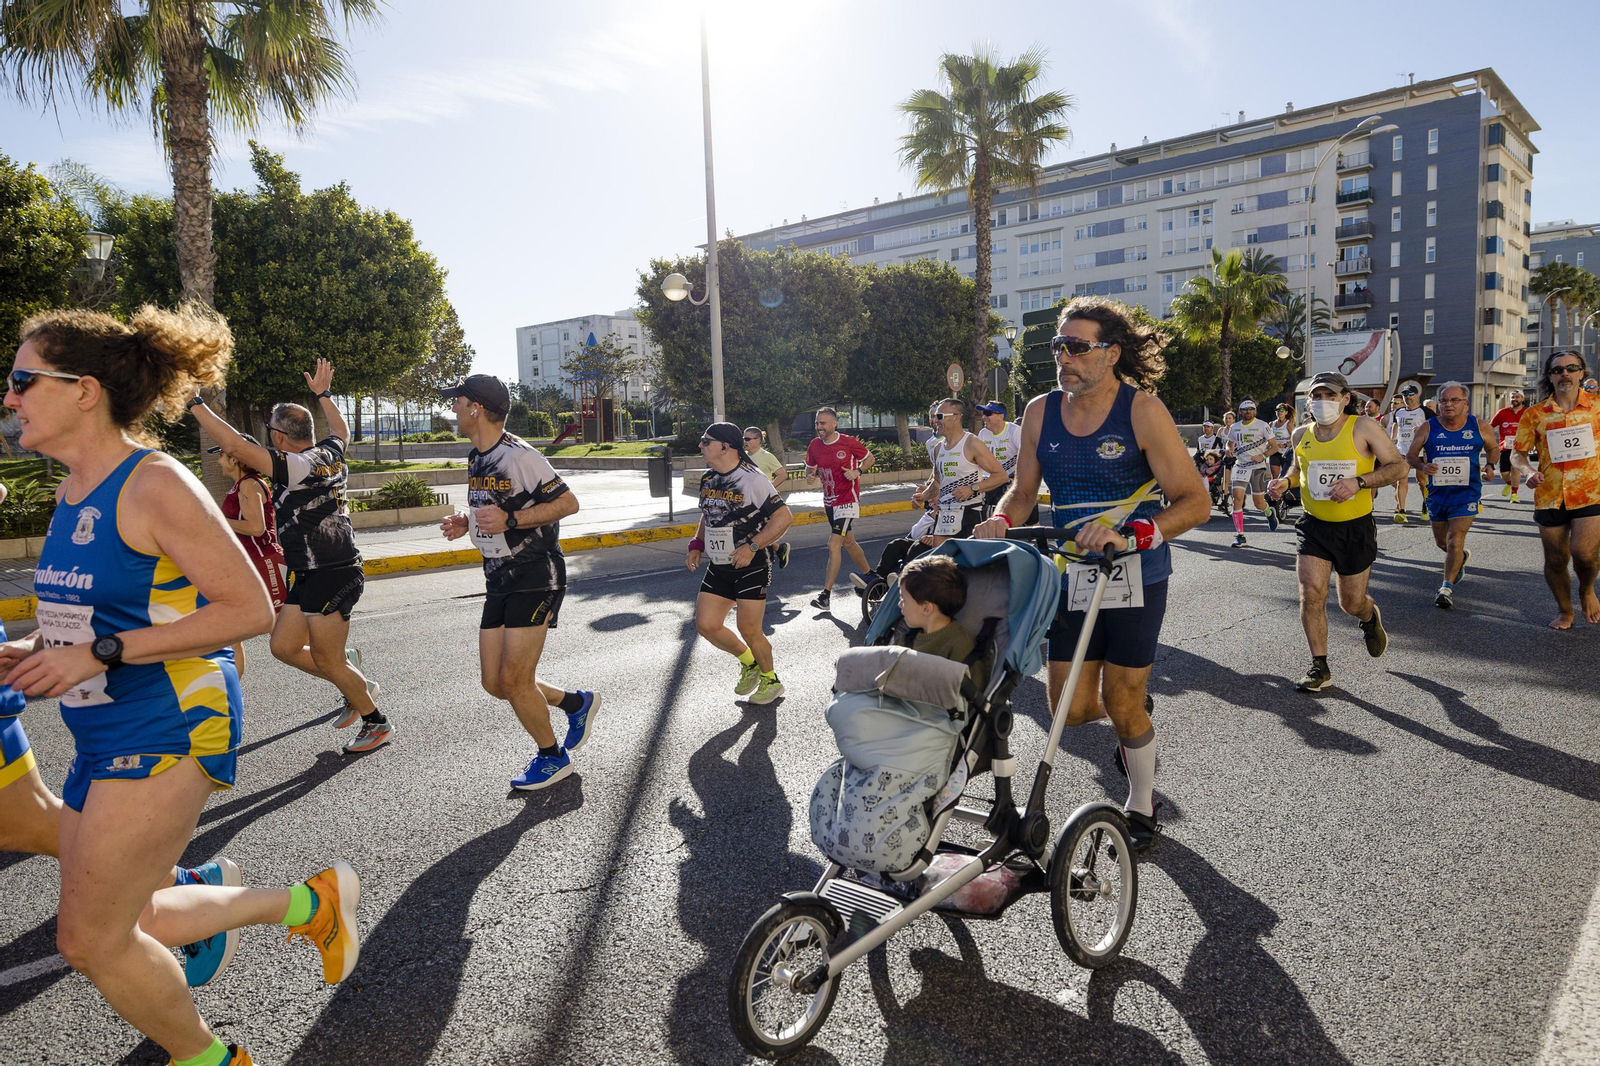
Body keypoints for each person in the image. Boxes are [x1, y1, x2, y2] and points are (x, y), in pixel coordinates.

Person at [3, 305, 360, 1066]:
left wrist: (99, 651)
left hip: (174, 718)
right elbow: (103, 614)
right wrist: (35, 649)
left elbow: (247, 608)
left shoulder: (153, 482)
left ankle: (212, 1060)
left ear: (84, 390)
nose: (10, 397)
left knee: (88, 938)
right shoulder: (72, 493)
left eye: (23, 380)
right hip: (103, 727)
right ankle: (310, 904)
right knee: (133, 915)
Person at [975, 296, 1210, 850]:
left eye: (1077, 347)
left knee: (1123, 701)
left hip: (1136, 573)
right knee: (1071, 711)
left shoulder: (1141, 411)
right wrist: (1002, 517)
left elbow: (1193, 502)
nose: (1065, 357)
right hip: (1073, 573)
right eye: (1059, 346)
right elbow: (1025, 490)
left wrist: (1128, 536)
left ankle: (1142, 804)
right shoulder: (1040, 411)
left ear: (1111, 353)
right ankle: (1133, 714)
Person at [191, 360, 388, 753]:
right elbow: (342, 430)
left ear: (280, 438)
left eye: (271, 434)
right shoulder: (328, 451)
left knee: (328, 660)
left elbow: (234, 444)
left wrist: (195, 403)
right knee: (282, 647)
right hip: (310, 571)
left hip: (331, 571)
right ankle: (352, 680)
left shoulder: (296, 467)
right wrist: (324, 395)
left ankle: (374, 719)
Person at [438, 374, 596, 791]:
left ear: (476, 408)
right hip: (497, 577)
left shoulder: (519, 455)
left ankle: (552, 757)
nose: (452, 408)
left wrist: (511, 520)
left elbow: (568, 503)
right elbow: (494, 508)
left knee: (515, 681)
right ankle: (575, 703)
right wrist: (466, 521)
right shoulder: (477, 456)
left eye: (457, 401)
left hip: (534, 574)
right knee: (495, 682)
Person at [1267, 372, 1406, 692]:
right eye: (1317, 396)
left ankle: (1369, 618)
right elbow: (1297, 468)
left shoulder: (1363, 427)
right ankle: (1320, 666)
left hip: (1355, 527)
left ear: (1346, 398)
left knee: (1351, 603)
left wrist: (1359, 482)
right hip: (1314, 525)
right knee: (1311, 591)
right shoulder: (1301, 433)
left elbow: (1398, 467)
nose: (1323, 402)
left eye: (1330, 396)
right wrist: (1284, 483)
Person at [689, 422, 794, 704]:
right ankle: (749, 664)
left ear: (725, 446)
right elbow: (708, 514)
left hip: (751, 564)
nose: (700, 445)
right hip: (719, 565)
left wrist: (752, 546)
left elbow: (784, 517)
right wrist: (696, 544)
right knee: (706, 625)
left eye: (705, 440)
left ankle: (771, 680)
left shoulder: (754, 479)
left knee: (749, 629)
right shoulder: (709, 479)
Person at [1511, 351, 1600, 629]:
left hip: (1590, 492)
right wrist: (1528, 472)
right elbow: (1517, 454)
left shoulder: (1597, 407)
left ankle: (1586, 590)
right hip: (1549, 494)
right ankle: (1565, 610)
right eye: (1558, 369)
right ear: (1550, 376)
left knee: (1584, 554)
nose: (1565, 373)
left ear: (1581, 373)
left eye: (1571, 368)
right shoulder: (1535, 413)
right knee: (1556, 559)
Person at [1407, 382, 1497, 609]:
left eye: (1454, 400)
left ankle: (1445, 588)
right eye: (1444, 400)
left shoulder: (1479, 426)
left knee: (1454, 539)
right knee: (1441, 542)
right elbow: (1411, 456)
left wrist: (1490, 466)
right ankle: (1460, 558)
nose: (1448, 404)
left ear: (1465, 404)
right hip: (1437, 495)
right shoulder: (1428, 427)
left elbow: (1493, 448)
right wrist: (1422, 466)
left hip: (1467, 494)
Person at [213, 436, 286, 675]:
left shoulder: (250, 485)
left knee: (284, 640)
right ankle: (232, 703)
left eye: (222, 455)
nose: (218, 460)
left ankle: (343, 667)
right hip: (249, 567)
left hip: (265, 563)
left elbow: (257, 528)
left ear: (235, 459)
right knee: (233, 636)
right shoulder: (240, 486)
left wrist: (216, 520)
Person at [908, 398, 1007, 550]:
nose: (935, 421)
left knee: (967, 565)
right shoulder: (938, 449)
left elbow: (1000, 476)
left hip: (969, 512)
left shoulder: (972, 443)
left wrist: (973, 488)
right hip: (945, 513)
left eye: (939, 416)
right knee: (939, 562)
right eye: (934, 416)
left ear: (956, 417)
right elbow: (937, 481)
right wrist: (923, 497)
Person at [803, 408, 874, 612]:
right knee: (849, 542)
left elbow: (870, 458)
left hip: (847, 501)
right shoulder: (815, 445)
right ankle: (870, 574)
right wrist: (810, 475)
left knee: (834, 544)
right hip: (829, 502)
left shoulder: (848, 442)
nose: (819, 427)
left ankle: (825, 596)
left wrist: (857, 471)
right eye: (817, 423)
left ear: (834, 424)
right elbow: (810, 466)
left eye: (823, 423)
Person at [897, 555, 988, 693]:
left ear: (926, 609)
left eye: (904, 600)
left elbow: (974, 695)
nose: (899, 605)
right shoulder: (906, 638)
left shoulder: (958, 646)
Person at [1224, 399, 1280, 546]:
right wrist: (1228, 450)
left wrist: (1262, 456)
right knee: (1237, 498)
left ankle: (1269, 513)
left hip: (1257, 467)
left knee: (1258, 503)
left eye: (1251, 409)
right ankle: (1240, 535)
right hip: (1241, 466)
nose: (1248, 411)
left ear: (1255, 411)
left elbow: (1274, 447)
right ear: (1240, 412)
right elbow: (1229, 443)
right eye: (1245, 409)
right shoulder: (1235, 427)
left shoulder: (1263, 426)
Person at [976, 401, 1033, 522]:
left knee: (1031, 521)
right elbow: (977, 459)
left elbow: (1028, 456)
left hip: (1015, 480)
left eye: (987, 413)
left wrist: (1018, 478)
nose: (984, 417)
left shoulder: (1014, 431)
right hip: (994, 480)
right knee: (992, 517)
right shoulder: (983, 433)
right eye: (983, 413)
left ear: (1000, 416)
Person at [743, 426, 791, 568]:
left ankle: (766, 559)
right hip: (747, 500)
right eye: (743, 438)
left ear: (758, 440)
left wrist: (769, 490)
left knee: (756, 531)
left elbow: (782, 474)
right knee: (753, 530)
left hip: (762, 502)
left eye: (747, 439)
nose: (744, 441)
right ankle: (778, 549)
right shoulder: (743, 456)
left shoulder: (766, 456)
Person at [1388, 384, 1429, 523]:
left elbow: (1436, 426)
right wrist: (1392, 439)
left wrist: (1423, 429)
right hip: (1402, 451)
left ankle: (1426, 505)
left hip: (1420, 452)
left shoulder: (1425, 411)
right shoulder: (1398, 412)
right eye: (1405, 394)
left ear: (1417, 395)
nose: (1407, 397)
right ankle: (1402, 511)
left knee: (1421, 481)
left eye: (1410, 394)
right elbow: (1396, 425)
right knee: (1401, 480)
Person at [1490, 390, 1528, 502]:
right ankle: (1509, 483)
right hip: (1505, 447)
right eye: (1512, 397)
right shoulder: (1502, 413)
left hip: (1520, 447)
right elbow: (1490, 426)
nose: (1514, 399)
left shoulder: (1528, 412)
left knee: (1515, 469)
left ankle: (1514, 494)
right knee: (1504, 474)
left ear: (1522, 399)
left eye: (1517, 397)